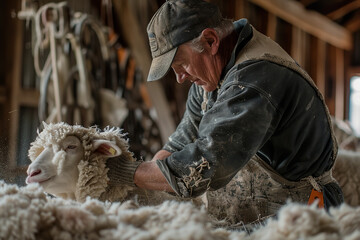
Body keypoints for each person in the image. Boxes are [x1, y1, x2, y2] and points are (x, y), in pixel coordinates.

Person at [107, 0, 344, 223]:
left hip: (298, 212)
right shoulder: (209, 80)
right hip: (249, 213)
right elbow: (177, 147)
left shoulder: (255, 79)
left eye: (181, 64)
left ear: (210, 41)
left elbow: (206, 164)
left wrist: (126, 172)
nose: (179, 78)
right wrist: (145, 191)